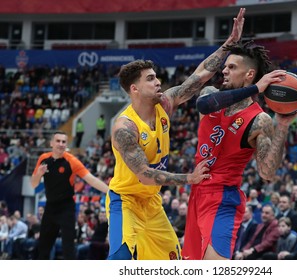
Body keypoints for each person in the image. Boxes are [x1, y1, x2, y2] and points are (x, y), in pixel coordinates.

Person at [105, 8, 249, 260]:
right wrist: (189, 179)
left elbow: (200, 76)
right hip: (125, 201)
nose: (158, 82)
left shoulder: (165, 103)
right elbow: (146, 175)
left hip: (152, 205)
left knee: (174, 263)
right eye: (150, 79)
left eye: (156, 76)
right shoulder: (124, 128)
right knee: (121, 260)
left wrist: (229, 44)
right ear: (134, 88)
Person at [182, 39, 297, 259]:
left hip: (223, 199)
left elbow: (267, 172)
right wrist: (255, 88)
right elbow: (202, 105)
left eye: (232, 67)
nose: (224, 71)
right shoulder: (210, 95)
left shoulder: (259, 120)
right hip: (197, 194)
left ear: (249, 74)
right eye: (225, 66)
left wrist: (282, 126)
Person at [30, 131, 109, 260]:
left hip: (66, 207)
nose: (61, 144)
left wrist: (110, 191)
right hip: (50, 207)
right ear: (51, 143)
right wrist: (38, 174)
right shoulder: (43, 159)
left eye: (64, 142)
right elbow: (33, 185)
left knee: (68, 247)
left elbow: (91, 180)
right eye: (58, 141)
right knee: (43, 247)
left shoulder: (72, 161)